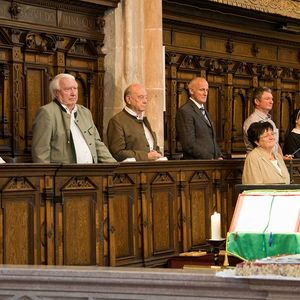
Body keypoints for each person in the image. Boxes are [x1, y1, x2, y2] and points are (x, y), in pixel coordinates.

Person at [32, 73, 116, 164]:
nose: (73, 93)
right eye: (68, 89)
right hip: (64, 175)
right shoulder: (47, 112)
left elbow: (97, 143)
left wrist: (115, 166)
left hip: (91, 173)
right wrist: (47, 176)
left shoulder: (85, 112)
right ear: (57, 93)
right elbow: (40, 151)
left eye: (75, 88)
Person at [106, 83, 162, 161]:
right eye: (141, 97)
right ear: (128, 99)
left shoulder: (144, 120)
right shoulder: (117, 121)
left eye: (146, 97)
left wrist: (158, 154)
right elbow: (117, 152)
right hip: (131, 171)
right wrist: (146, 156)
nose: (145, 101)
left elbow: (153, 146)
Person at [175, 77, 222, 159]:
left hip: (211, 164)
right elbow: (188, 144)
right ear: (191, 91)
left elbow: (212, 139)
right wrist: (210, 158)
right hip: (197, 165)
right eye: (202, 90)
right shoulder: (185, 111)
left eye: (207, 90)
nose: (205, 93)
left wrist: (219, 155)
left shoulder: (204, 111)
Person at [243, 87, 282, 155]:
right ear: (257, 101)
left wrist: (281, 159)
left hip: (273, 161)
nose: (271, 101)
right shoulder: (253, 121)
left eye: (272, 99)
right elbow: (260, 147)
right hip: (260, 162)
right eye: (267, 99)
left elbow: (276, 144)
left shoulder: (270, 121)